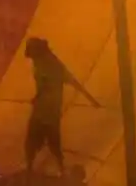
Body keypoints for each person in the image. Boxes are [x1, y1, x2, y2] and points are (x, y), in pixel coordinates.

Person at [22, 36, 100, 177]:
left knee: (50, 140)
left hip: (49, 110)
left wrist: (91, 99)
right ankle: (32, 169)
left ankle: (58, 169)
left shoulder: (53, 64)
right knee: (36, 140)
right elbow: (45, 86)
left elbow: (72, 81)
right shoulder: (39, 63)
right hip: (43, 109)